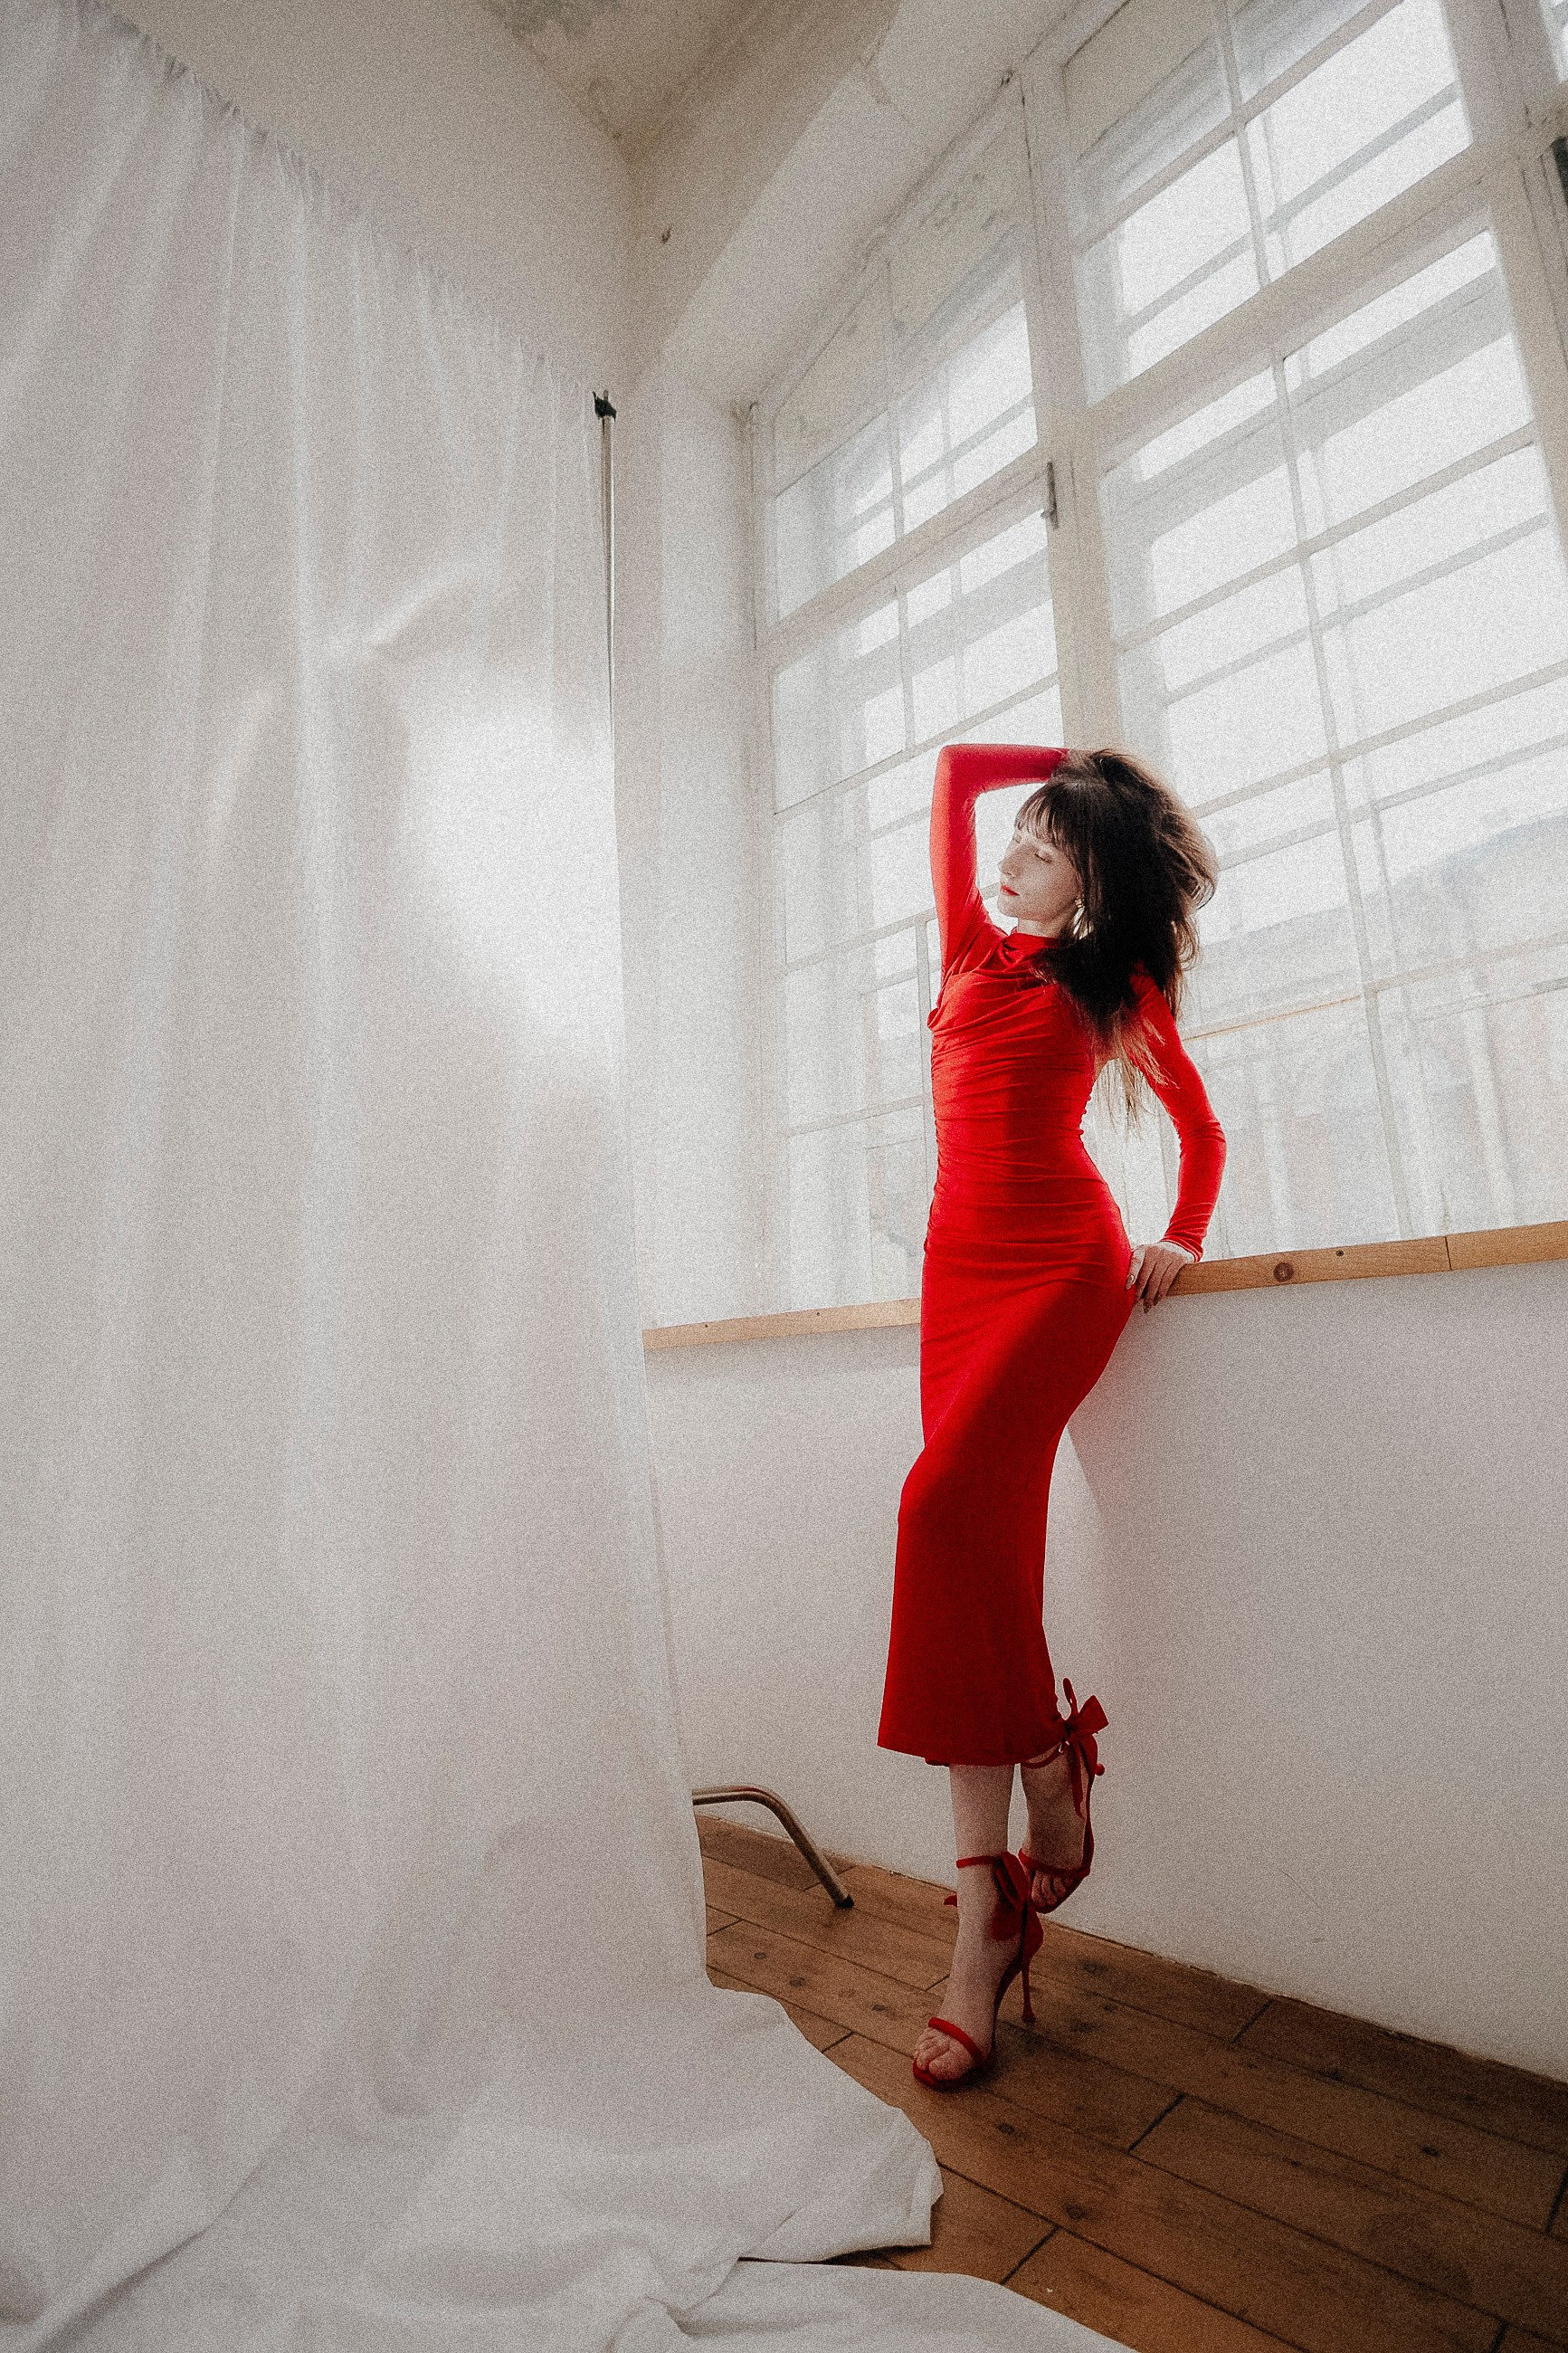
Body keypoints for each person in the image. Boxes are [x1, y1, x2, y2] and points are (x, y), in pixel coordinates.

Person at [876, 741, 1226, 2091]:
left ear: (1092, 879)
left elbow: (1201, 1134)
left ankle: (1043, 1776)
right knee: (977, 1560)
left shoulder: (1112, 985)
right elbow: (954, 774)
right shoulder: (970, 952)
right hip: (955, 1278)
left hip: (1059, 1272)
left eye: (1047, 844)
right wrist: (1077, 775)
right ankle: (992, 1903)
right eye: (1016, 838)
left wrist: (1184, 1233)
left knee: (932, 1514)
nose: (1010, 856)